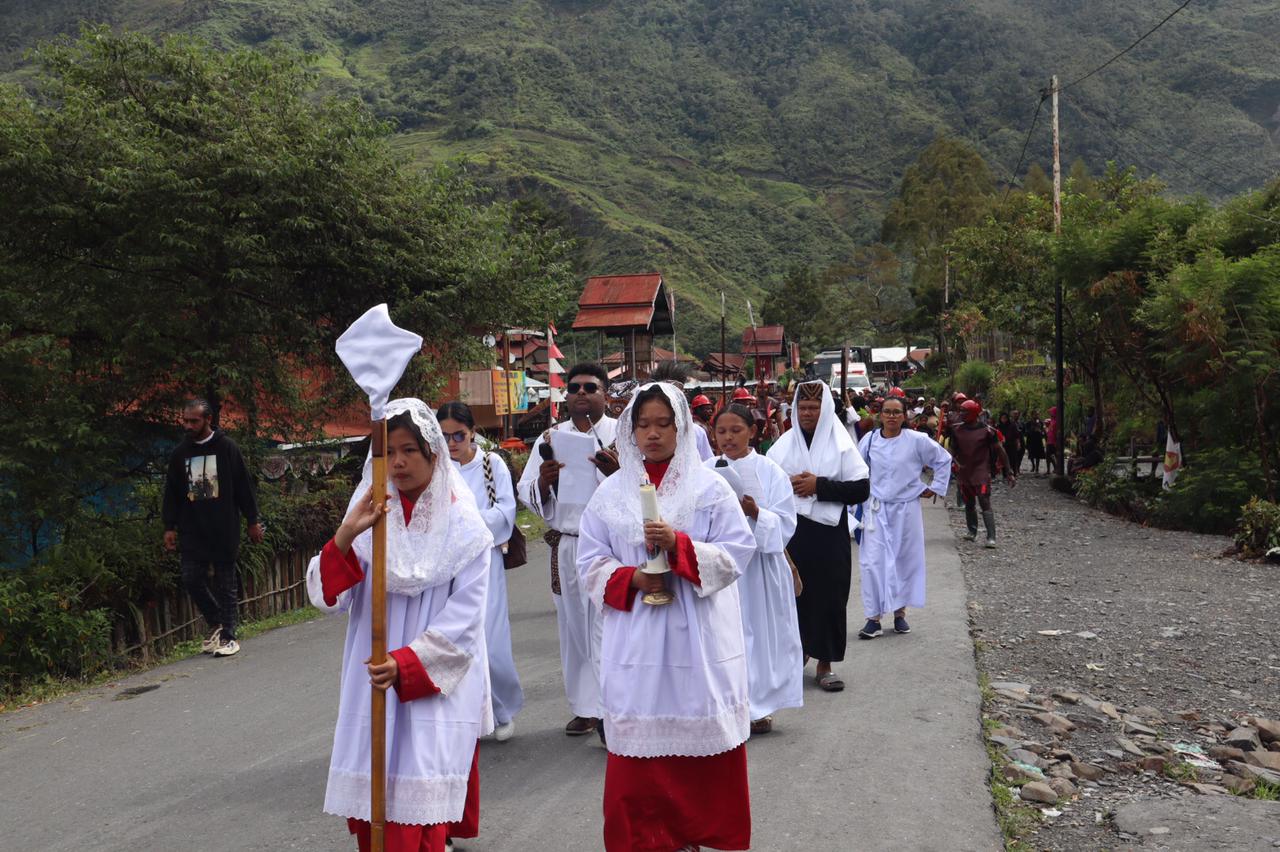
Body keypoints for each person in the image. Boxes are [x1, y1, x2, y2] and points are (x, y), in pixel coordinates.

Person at [306, 399, 492, 852]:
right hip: (370, 675)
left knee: (417, 805)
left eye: (410, 450)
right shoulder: (369, 516)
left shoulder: (464, 525)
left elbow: (466, 618)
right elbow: (329, 598)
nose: (399, 462)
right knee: (374, 804)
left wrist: (406, 663)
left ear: (434, 454)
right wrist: (347, 536)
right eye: (388, 452)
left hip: (427, 683)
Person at [577, 382, 756, 852]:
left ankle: (692, 835)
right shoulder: (611, 494)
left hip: (695, 636)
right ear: (630, 430)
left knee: (698, 751)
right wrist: (632, 579)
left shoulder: (709, 488)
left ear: (681, 428)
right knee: (638, 766)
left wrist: (680, 546)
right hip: (636, 638)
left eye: (663, 424)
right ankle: (648, 839)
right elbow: (589, 562)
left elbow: (737, 551)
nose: (652, 434)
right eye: (643, 425)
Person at [517, 363, 619, 737]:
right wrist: (544, 482)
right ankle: (585, 706)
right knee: (573, 625)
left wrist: (616, 473)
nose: (580, 392)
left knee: (607, 625)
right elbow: (526, 490)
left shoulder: (622, 435)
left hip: (610, 546)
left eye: (590, 387)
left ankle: (613, 706)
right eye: (573, 387)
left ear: (604, 394)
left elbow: (641, 487)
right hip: (568, 544)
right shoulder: (550, 437)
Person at [767, 381, 869, 693]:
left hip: (829, 533)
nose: (807, 413)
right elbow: (766, 486)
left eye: (813, 408)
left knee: (830, 597)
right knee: (794, 597)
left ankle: (825, 664)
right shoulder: (782, 446)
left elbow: (860, 489)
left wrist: (819, 486)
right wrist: (788, 485)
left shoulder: (840, 444)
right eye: (803, 408)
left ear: (824, 410)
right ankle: (798, 654)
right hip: (793, 533)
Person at [707, 404, 802, 735]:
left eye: (736, 430)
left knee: (758, 636)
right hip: (722, 564)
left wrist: (755, 511)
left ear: (752, 431)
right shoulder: (705, 470)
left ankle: (758, 707)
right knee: (724, 636)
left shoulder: (769, 470)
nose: (728, 437)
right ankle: (727, 704)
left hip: (759, 566)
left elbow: (787, 519)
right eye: (721, 431)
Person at [438, 401, 524, 743]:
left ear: (472, 431)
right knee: (454, 640)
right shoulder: (437, 469)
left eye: (458, 435)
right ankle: (463, 718)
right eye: (444, 437)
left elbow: (506, 510)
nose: (452, 443)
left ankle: (502, 710)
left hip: (484, 560)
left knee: (491, 640)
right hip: (447, 564)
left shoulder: (492, 463)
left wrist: (468, 524)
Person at [162, 398, 262, 658]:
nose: (188, 425)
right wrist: (169, 526)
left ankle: (229, 637)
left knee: (225, 584)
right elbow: (171, 493)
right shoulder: (180, 454)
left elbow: (243, 487)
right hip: (192, 530)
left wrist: (252, 521)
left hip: (223, 527)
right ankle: (217, 622)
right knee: (190, 578)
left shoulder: (227, 448)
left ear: (208, 420)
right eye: (185, 420)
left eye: (194, 420)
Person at [854, 394, 954, 639]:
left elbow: (943, 460)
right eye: (886, 411)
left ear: (904, 415)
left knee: (904, 560)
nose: (891, 416)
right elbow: (856, 470)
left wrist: (935, 487)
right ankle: (873, 618)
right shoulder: (869, 441)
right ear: (880, 414)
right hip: (876, 509)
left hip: (906, 509)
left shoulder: (917, 441)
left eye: (896, 412)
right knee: (872, 562)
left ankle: (900, 613)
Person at [950, 400, 1016, 547]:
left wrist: (1008, 471)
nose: (961, 414)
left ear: (973, 413)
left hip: (981, 470)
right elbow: (952, 450)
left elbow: (1000, 450)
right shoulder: (956, 430)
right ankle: (972, 531)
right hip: (964, 470)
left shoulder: (987, 431)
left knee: (984, 500)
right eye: (960, 411)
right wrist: (950, 461)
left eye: (964, 412)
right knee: (969, 502)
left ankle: (991, 536)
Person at [1024, 410, 1046, 474]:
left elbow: (1043, 432)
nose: (1036, 416)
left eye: (1038, 414)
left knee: (1038, 455)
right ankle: (1033, 465)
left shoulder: (1041, 423)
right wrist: (1032, 429)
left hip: (1038, 440)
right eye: (1035, 414)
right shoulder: (1028, 423)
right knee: (1031, 454)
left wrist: (1040, 431)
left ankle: (1037, 467)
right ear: (1032, 415)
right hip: (1031, 440)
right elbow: (1026, 432)